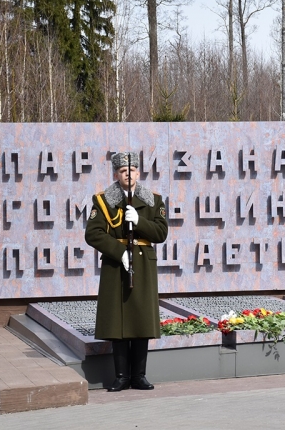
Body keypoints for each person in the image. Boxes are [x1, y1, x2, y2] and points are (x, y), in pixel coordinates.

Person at [85, 151, 168, 391]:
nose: (128, 175)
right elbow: (93, 233)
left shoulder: (153, 199)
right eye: (123, 171)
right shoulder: (103, 200)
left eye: (131, 171)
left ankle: (138, 376)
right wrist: (119, 252)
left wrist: (140, 221)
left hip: (142, 265)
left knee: (141, 320)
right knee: (118, 322)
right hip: (116, 264)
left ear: (138, 173)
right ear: (116, 174)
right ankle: (121, 376)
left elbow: (161, 233)